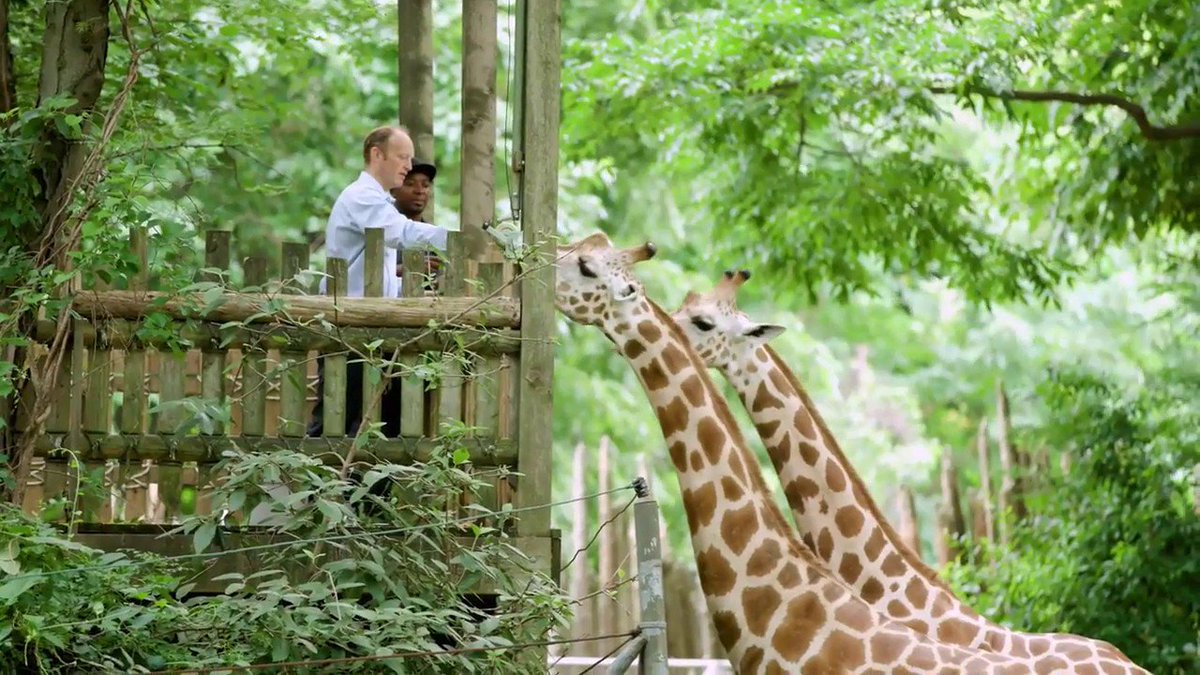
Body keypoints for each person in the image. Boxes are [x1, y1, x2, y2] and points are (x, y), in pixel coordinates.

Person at [308, 126, 446, 438]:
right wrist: (459, 238)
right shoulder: (362, 198)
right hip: (350, 328)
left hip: (370, 327)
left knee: (377, 426)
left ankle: (365, 488)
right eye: (402, 157)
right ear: (376, 154)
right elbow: (403, 233)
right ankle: (306, 486)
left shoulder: (377, 200)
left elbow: (380, 278)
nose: (408, 166)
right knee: (335, 423)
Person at [390, 160, 442, 290]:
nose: (419, 191)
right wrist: (404, 268)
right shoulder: (382, 229)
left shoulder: (432, 238)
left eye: (425, 185)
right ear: (393, 190)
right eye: (410, 184)